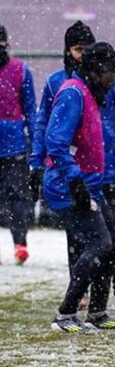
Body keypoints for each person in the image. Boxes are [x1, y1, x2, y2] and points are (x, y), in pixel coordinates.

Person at [29, 20, 115, 312]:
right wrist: (42, 165)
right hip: (77, 177)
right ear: (69, 51)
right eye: (77, 49)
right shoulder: (69, 89)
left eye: (86, 49)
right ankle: (73, 303)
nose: (81, 54)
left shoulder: (105, 81)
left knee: (110, 238)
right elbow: (51, 133)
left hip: (104, 172)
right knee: (92, 240)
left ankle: (113, 297)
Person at [45, 42, 115, 332]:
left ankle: (97, 314)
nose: (113, 79)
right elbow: (55, 141)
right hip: (67, 186)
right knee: (100, 243)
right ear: (94, 70)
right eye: (110, 73)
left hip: (91, 185)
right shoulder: (72, 93)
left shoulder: (91, 93)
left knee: (111, 244)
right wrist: (75, 179)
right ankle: (65, 315)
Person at [0, 25, 36, 265]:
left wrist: (35, 143)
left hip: (14, 146)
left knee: (18, 197)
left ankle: (20, 243)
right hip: (13, 143)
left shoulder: (20, 71)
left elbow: (31, 110)